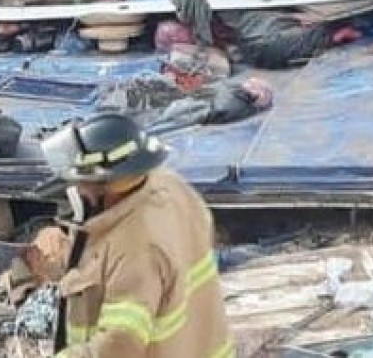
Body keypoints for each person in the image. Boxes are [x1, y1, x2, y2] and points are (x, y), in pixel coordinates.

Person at [25, 113, 232, 358]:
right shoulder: (170, 187)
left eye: (81, 180)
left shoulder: (134, 250)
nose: (77, 189)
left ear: (105, 183)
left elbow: (119, 346)